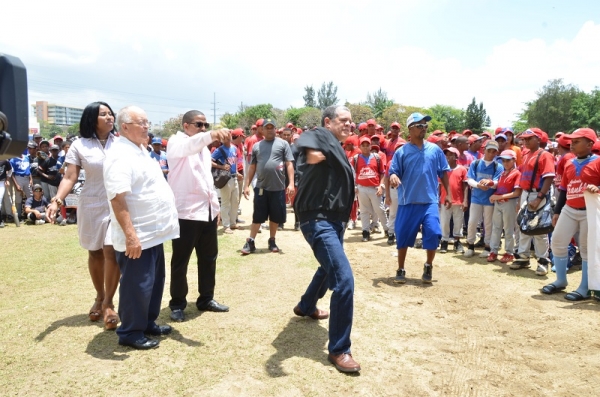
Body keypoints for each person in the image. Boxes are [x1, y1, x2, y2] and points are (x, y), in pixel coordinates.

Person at [103, 105, 179, 350]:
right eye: (141, 123)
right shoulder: (119, 155)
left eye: (147, 122)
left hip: (153, 232)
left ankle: (147, 322)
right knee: (137, 285)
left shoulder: (140, 150)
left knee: (154, 282)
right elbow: (117, 197)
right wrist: (131, 236)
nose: (147, 126)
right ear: (125, 127)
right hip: (138, 234)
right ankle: (131, 331)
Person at [293, 105, 360, 373]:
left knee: (327, 266)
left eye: (352, 122)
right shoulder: (320, 135)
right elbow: (303, 140)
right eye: (344, 120)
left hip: (334, 221)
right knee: (344, 280)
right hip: (318, 220)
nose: (350, 125)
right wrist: (310, 152)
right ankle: (340, 350)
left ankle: (306, 305)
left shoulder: (337, 145)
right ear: (328, 122)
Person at [47, 101, 121, 330]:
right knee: (95, 252)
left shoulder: (121, 143)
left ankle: (109, 303)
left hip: (117, 204)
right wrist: (57, 199)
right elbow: (70, 177)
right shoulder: (80, 145)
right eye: (103, 114)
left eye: (111, 114)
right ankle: (99, 296)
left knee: (111, 249)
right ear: (91, 119)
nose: (109, 117)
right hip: (91, 204)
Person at [166, 110, 230, 323]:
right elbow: (189, 146)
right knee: (181, 261)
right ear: (186, 126)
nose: (203, 128)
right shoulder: (177, 143)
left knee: (209, 258)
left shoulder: (202, 148)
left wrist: (216, 208)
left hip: (207, 211)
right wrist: (211, 135)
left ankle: (206, 298)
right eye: (198, 124)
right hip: (186, 213)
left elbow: (206, 181)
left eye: (205, 125)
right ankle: (177, 304)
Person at [389, 112, 451, 284]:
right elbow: (393, 171)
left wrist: (449, 194)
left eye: (425, 125)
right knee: (402, 236)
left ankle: (428, 265)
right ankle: (401, 268)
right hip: (408, 201)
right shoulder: (401, 152)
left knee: (433, 233)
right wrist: (394, 176)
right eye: (419, 125)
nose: (423, 128)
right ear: (410, 129)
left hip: (429, 201)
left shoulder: (435, 150)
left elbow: (444, 172)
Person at [542, 128, 598, 300]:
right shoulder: (569, 162)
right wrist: (557, 211)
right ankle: (560, 280)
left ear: (590, 144)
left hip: (590, 210)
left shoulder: (598, 162)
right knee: (558, 241)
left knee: (586, 248)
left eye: (577, 141)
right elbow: (564, 190)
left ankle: (585, 287)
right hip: (569, 208)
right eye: (571, 141)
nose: (572, 144)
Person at [241, 119, 294, 254]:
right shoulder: (257, 146)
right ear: (262, 130)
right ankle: (251, 241)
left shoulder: (283, 144)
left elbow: (289, 164)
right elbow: (252, 167)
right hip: (261, 187)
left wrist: (291, 184)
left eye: (272, 127)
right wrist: (246, 185)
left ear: (276, 129)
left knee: (275, 216)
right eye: (267, 128)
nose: (270, 130)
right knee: (258, 216)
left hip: (278, 187)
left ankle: (272, 240)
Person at [510, 128, 555, 276]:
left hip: (538, 193)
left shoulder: (545, 155)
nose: (526, 141)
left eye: (529, 138)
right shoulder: (527, 154)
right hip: (526, 193)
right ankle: (523, 257)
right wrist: (520, 198)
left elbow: (549, 177)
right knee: (523, 225)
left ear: (538, 139)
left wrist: (539, 197)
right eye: (524, 139)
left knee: (539, 228)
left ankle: (543, 260)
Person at [464, 141, 504, 258]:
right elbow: (469, 179)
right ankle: (470, 245)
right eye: (489, 151)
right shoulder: (475, 163)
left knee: (488, 224)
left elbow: (497, 183)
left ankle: (487, 246)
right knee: (472, 222)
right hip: (476, 198)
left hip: (489, 200)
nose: (491, 154)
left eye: (494, 151)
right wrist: (478, 185)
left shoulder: (498, 166)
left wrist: (490, 183)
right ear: (484, 150)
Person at [488, 150, 522, 263]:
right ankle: (494, 250)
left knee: (508, 229)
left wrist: (498, 197)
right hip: (499, 203)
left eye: (508, 160)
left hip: (509, 202)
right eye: (503, 160)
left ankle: (509, 252)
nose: (505, 163)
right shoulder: (503, 173)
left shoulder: (517, 173)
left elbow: (517, 193)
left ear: (514, 160)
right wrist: (495, 196)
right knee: (496, 227)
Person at [352, 136, 388, 241]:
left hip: (375, 188)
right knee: (364, 211)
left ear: (370, 146)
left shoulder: (376, 157)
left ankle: (387, 230)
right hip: (361, 187)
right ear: (360, 147)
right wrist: (354, 186)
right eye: (363, 145)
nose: (365, 147)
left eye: (367, 145)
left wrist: (381, 186)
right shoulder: (356, 159)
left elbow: (382, 173)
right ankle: (365, 232)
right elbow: (353, 174)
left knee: (380, 210)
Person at [211, 129, 243, 234]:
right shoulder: (219, 150)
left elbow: (234, 162)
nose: (226, 137)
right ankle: (226, 225)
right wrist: (221, 166)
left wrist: (237, 172)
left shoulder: (234, 148)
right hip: (225, 179)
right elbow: (210, 161)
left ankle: (233, 223)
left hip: (233, 177)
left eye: (227, 134)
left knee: (235, 202)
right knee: (225, 203)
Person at [438, 147, 468, 254]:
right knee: (444, 222)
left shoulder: (462, 169)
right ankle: (444, 241)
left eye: (451, 155)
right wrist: (438, 198)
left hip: (458, 200)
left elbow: (465, 186)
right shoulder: (443, 169)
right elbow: (439, 185)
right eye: (447, 155)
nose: (448, 157)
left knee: (458, 222)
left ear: (456, 157)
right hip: (444, 200)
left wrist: (465, 200)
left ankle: (457, 242)